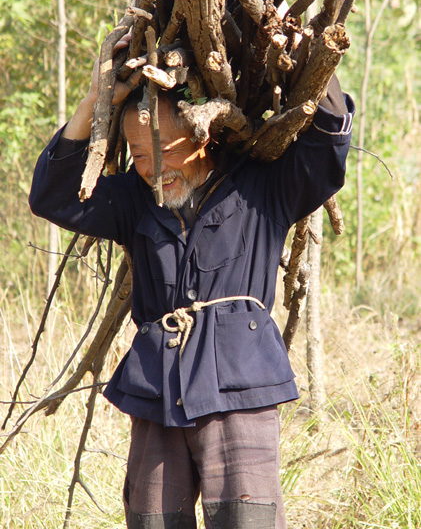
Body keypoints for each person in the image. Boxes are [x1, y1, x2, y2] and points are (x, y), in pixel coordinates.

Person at [29, 33, 355, 529]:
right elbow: (54, 194)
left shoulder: (262, 188)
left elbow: (327, 146)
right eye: (139, 157)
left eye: (164, 151)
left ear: (202, 133)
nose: (152, 169)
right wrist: (96, 98)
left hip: (240, 391)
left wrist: (312, 62)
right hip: (155, 392)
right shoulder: (135, 202)